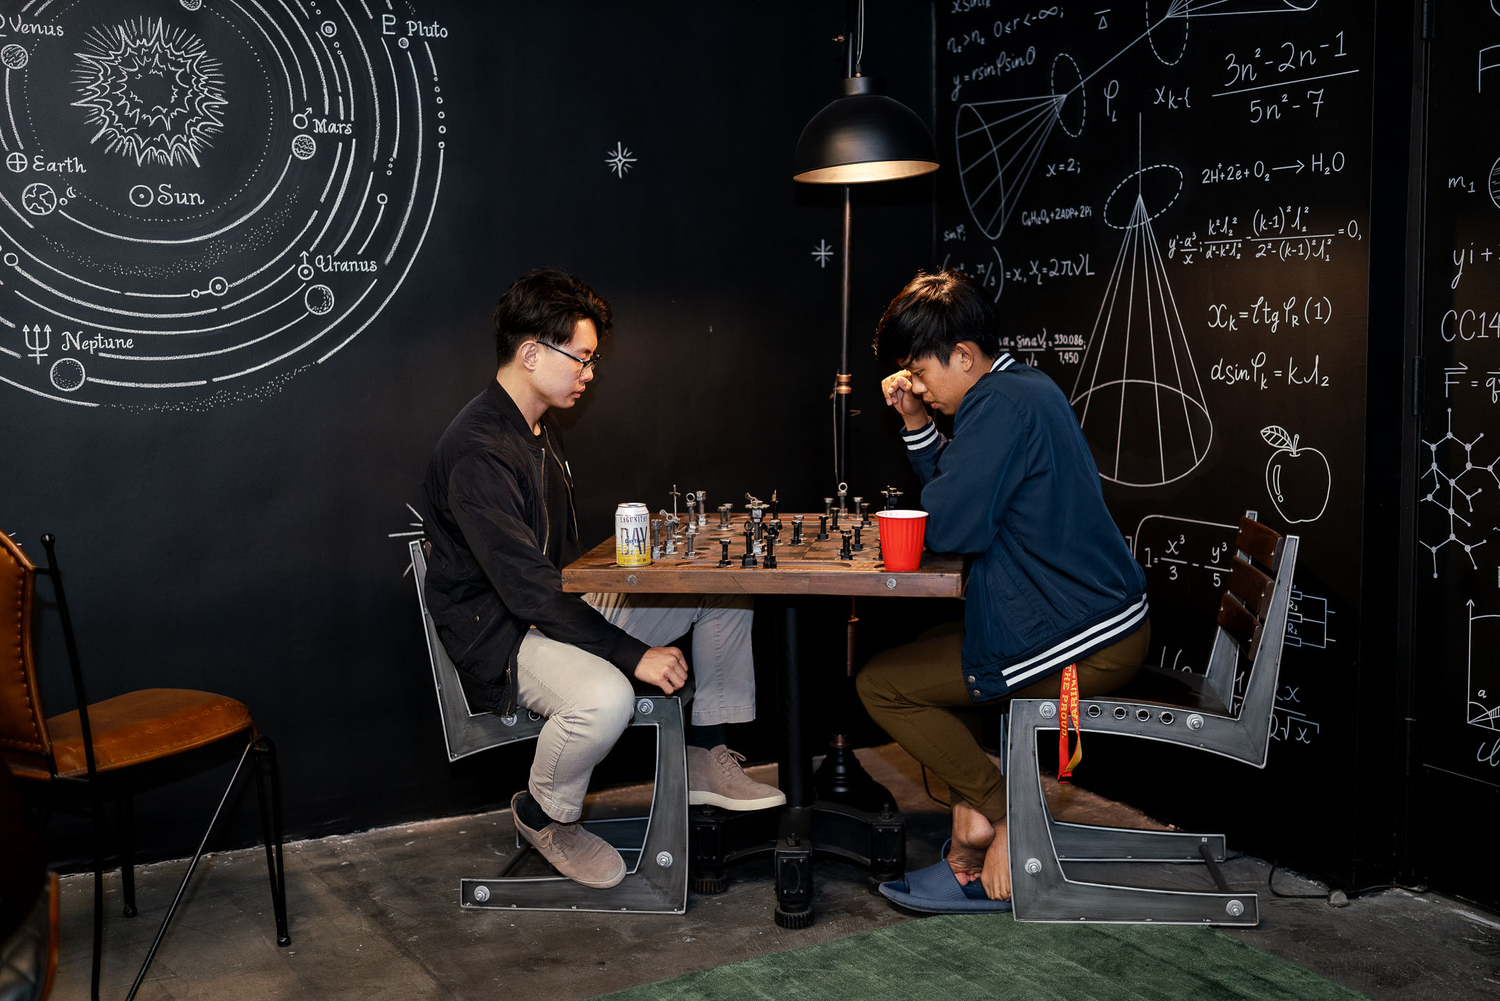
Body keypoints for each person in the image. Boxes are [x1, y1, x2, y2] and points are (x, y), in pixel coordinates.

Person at [422, 267, 783, 890]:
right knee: (606, 697)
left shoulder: (540, 429)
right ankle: (544, 815)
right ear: (531, 354)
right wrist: (632, 652)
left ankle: (703, 752)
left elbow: (557, 567)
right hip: (501, 633)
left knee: (723, 587)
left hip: (553, 607)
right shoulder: (478, 450)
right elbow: (525, 588)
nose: (590, 373)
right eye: (582, 359)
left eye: (592, 360)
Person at [857, 269, 1150, 906]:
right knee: (928, 653)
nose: (916, 386)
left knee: (883, 685)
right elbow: (962, 491)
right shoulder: (1018, 388)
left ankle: (1007, 814)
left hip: (1084, 641)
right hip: (1091, 620)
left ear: (963, 356)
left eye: (919, 372)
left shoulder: (999, 404)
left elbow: (950, 523)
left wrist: (932, 499)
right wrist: (916, 420)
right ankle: (975, 817)